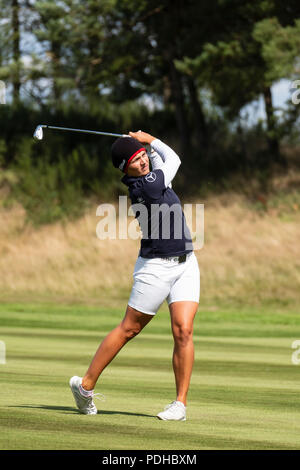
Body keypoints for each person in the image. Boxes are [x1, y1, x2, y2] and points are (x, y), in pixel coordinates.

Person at [69, 131, 200, 421]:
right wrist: (149, 139)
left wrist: (146, 149)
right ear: (124, 170)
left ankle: (180, 404)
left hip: (186, 264)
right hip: (155, 268)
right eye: (134, 161)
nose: (141, 163)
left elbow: (158, 163)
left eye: (141, 157)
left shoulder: (153, 177)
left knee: (184, 330)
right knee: (129, 328)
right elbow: (173, 159)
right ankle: (85, 386)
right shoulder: (146, 186)